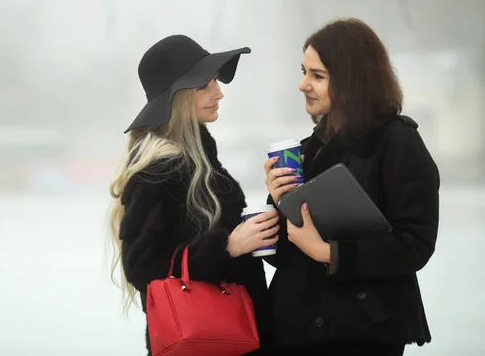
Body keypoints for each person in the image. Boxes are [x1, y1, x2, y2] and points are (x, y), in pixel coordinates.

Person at [263, 18, 440, 356]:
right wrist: (278, 201)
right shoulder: (305, 150)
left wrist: (329, 253)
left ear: (352, 81)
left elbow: (415, 244)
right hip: (292, 329)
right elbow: (282, 258)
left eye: (317, 76)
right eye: (303, 72)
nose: (303, 85)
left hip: (362, 331)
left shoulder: (398, 143)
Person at [108, 34, 277, 355]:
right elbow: (141, 265)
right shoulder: (158, 168)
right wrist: (227, 246)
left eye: (215, 81)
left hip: (233, 334)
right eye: (205, 85)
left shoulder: (199, 156)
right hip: (202, 339)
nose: (219, 92)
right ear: (176, 96)